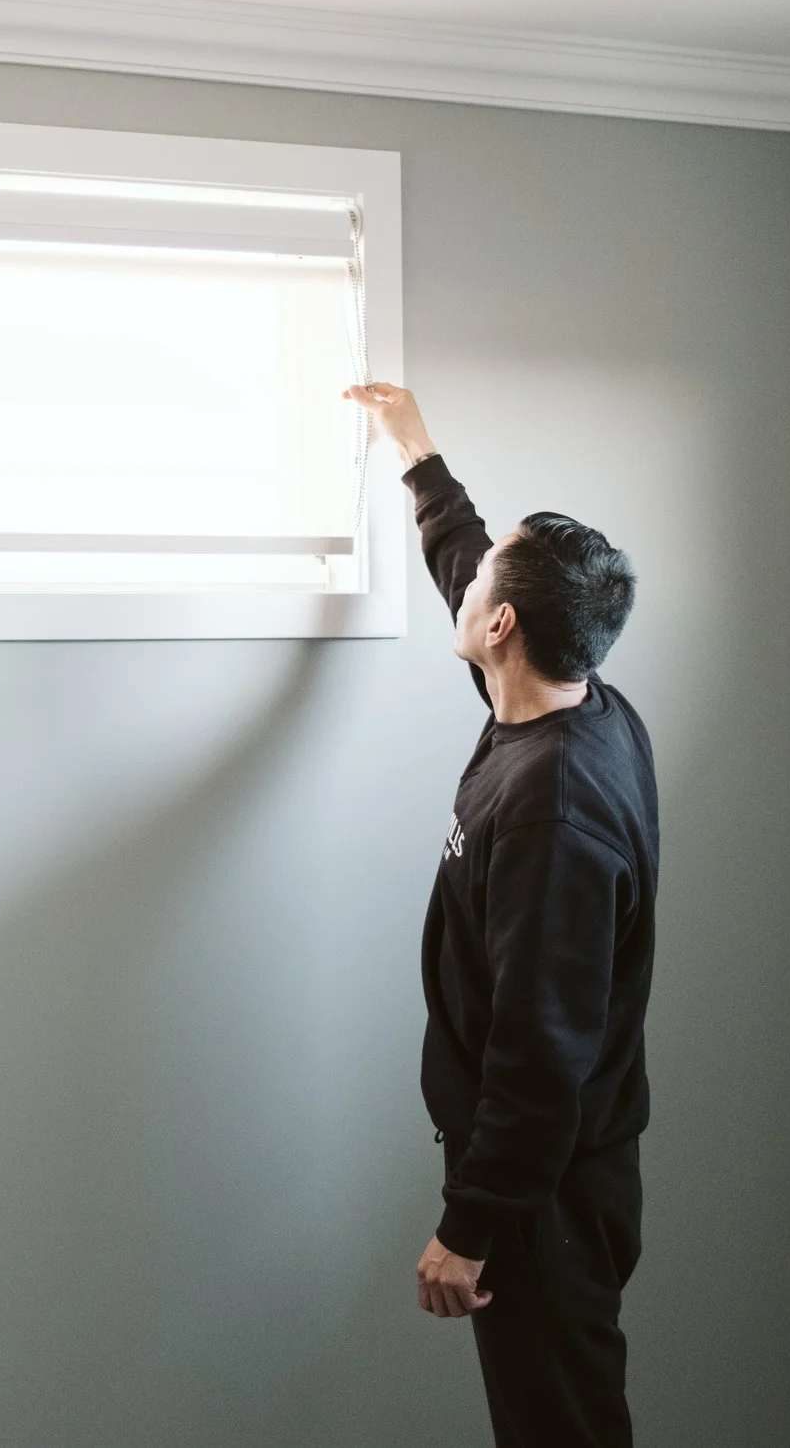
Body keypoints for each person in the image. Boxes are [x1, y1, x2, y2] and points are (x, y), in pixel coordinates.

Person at [343, 382, 658, 1448]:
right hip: (552, 1173)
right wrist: (417, 455)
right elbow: (470, 571)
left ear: (504, 625)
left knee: (560, 1429)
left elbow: (539, 1055)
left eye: (485, 585)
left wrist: (468, 1227)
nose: (469, 582)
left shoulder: (551, 814)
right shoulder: (573, 701)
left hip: (543, 1196)